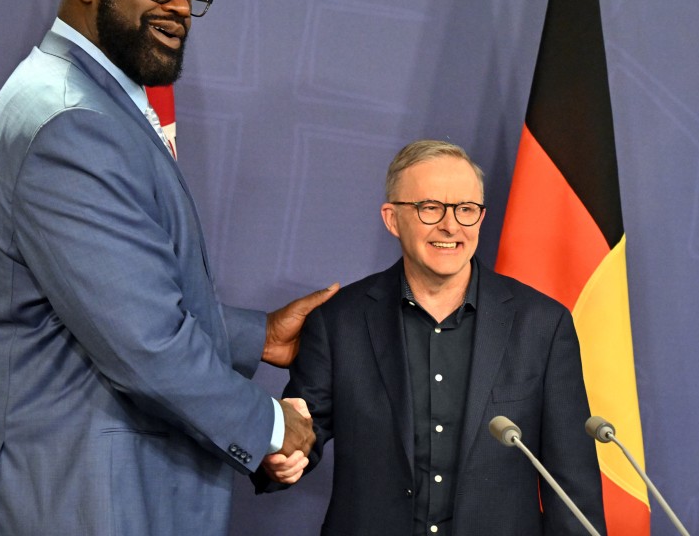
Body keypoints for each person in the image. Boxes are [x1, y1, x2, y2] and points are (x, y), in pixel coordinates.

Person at [0, 0, 337, 536]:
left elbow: (108, 291)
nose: (180, 6)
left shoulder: (80, 98)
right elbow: (143, 343)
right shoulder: (71, 121)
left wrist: (255, 337)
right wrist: (269, 424)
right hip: (68, 499)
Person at [256, 140, 606, 536]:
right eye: (430, 208)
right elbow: (301, 432)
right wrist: (280, 456)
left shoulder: (542, 324)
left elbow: (571, 480)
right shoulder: (339, 320)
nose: (451, 225)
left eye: (466, 210)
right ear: (392, 219)